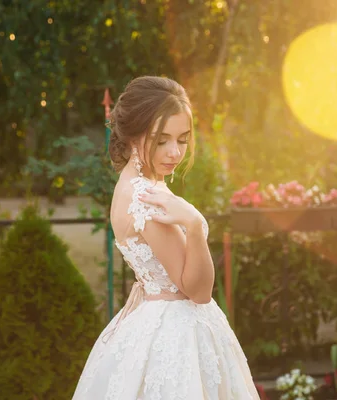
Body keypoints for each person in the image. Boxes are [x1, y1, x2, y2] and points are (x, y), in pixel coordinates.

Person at [72, 76, 259, 400]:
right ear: (132, 136)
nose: (175, 152)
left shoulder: (136, 185)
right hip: (175, 332)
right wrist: (196, 224)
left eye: (182, 140)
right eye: (161, 141)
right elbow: (198, 290)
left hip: (154, 320)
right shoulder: (145, 196)